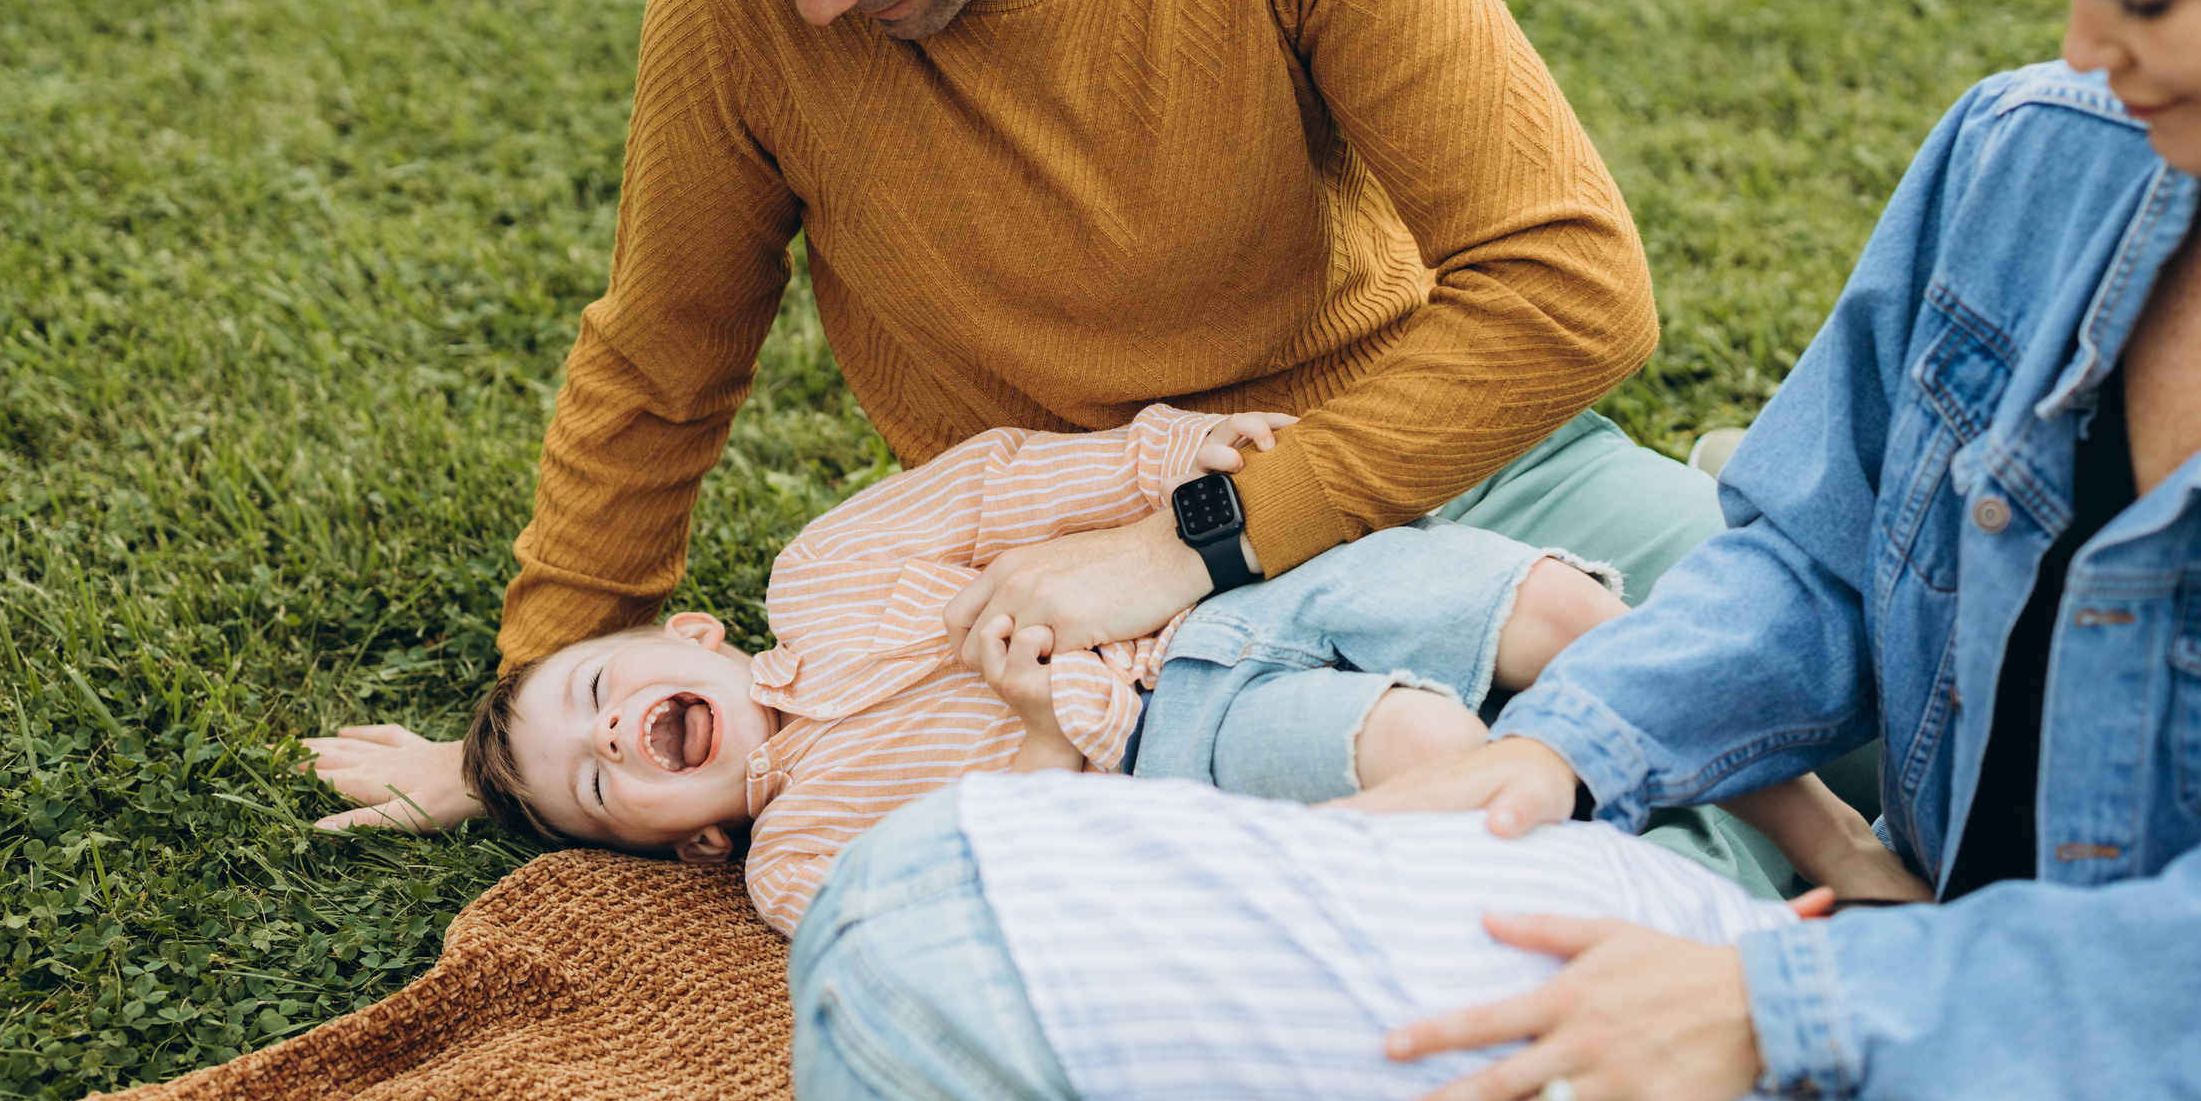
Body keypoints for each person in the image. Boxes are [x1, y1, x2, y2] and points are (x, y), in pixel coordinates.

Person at [790, 0, 2201, 1101]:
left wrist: (1780, 1004)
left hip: (2096, 1061)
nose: (2081, 46)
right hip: (1843, 978)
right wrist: (1560, 749)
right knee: (910, 913)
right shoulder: (2034, 161)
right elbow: (1808, 561)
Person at [302, 0, 1747, 864]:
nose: (814, 8)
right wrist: (527, 734)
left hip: (1430, 462)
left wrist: (1189, 535)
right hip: (1101, 636)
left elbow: (1568, 284)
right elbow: (663, 354)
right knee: (1618, 868)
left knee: (1839, 687)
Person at [457, 405, 1915, 934]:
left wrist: (1177, 460)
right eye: (601, 787)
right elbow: (1015, 876)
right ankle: (1735, 934)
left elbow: (999, 485)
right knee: (1419, 750)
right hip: (1182, 739)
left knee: (1549, 607)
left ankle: (1826, 839)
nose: (615, 738)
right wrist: (1035, 732)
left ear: (688, 636)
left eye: (599, 692)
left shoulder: (823, 573)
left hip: (1244, 584)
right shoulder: (797, 860)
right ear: (687, 838)